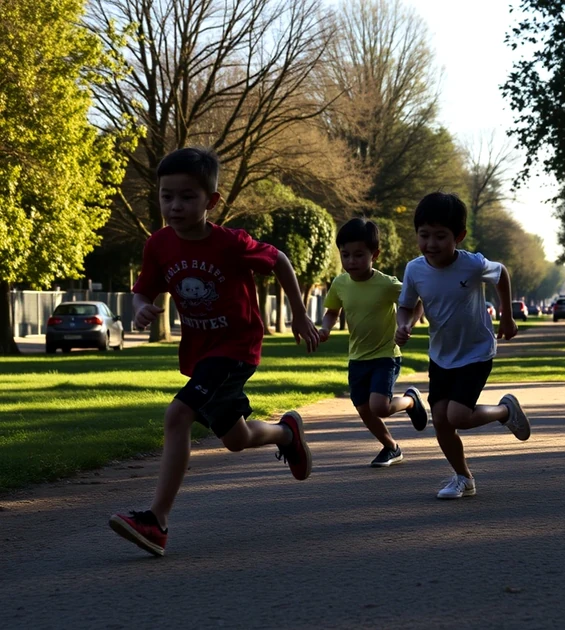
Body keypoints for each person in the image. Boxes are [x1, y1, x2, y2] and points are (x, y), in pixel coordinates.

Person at [109, 147, 320, 556]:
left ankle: (156, 522)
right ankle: (286, 434)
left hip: (236, 346)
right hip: (202, 352)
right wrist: (141, 309)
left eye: (187, 196)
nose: (175, 205)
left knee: (178, 415)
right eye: (166, 195)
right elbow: (142, 290)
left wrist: (298, 315)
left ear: (212, 201)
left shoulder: (231, 244)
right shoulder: (159, 244)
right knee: (236, 438)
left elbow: (281, 261)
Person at [395, 192, 531, 500]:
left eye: (440, 236)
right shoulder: (414, 269)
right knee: (442, 421)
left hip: (476, 351)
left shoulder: (472, 265)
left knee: (457, 416)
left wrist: (507, 318)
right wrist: (402, 325)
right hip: (441, 355)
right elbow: (406, 305)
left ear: (459, 236)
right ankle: (463, 478)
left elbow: (502, 274)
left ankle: (503, 411)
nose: (431, 244)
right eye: (424, 235)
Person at [319, 217, 429, 467]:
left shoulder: (386, 284)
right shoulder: (340, 283)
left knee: (379, 406)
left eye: (359, 255)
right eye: (345, 255)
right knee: (364, 409)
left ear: (374, 254)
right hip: (357, 357)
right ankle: (391, 447)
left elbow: (417, 300)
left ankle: (411, 400)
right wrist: (325, 329)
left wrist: (408, 324)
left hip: (385, 354)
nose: (351, 261)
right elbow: (332, 313)